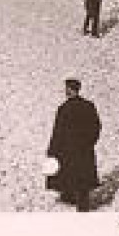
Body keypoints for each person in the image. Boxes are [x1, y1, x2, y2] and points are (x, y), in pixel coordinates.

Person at [46, 79, 102, 211]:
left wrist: (52, 149)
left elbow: (58, 131)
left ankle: (70, 198)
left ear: (70, 89)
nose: (65, 91)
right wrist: (89, 142)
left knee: (70, 174)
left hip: (68, 150)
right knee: (82, 178)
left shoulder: (63, 108)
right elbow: (96, 127)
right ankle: (82, 204)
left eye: (66, 88)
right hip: (84, 149)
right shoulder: (89, 106)